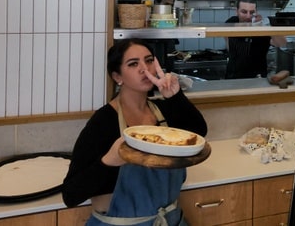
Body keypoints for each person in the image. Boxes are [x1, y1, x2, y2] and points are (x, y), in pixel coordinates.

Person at [62, 38, 207, 226]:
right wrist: (109, 161)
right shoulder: (104, 122)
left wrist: (175, 96)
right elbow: (71, 194)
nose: (144, 69)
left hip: (170, 220)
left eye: (149, 61)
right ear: (117, 77)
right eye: (133, 64)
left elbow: (198, 133)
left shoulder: (164, 110)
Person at [224, 0, 287, 78]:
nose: (248, 16)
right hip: (232, 76)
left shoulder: (262, 28)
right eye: (244, 12)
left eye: (252, 12)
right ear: (237, 11)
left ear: (256, 12)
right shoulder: (231, 22)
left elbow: (281, 43)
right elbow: (227, 40)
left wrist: (267, 27)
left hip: (257, 77)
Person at [152, 0, 179, 72]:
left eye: (171, 5)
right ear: (156, 3)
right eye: (166, 4)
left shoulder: (172, 21)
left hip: (169, 65)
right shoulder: (148, 19)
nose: (169, 7)